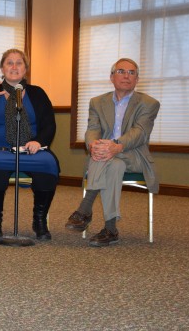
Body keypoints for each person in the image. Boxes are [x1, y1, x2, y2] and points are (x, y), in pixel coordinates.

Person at [65, 58, 160, 247]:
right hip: (107, 157)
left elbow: (140, 133)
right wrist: (93, 145)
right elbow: (92, 129)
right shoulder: (97, 102)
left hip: (134, 154)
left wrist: (115, 146)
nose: (126, 76)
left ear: (137, 79)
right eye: (121, 71)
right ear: (111, 77)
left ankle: (85, 208)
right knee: (113, 164)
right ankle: (111, 229)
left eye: (131, 73)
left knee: (105, 156)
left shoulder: (149, 103)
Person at [0, 48, 59, 241]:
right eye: (9, 62)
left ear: (25, 69)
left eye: (19, 63)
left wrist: (39, 141)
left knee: (49, 164)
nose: (14, 66)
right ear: (2, 67)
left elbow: (49, 125)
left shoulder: (37, 93)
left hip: (30, 150)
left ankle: (40, 220)